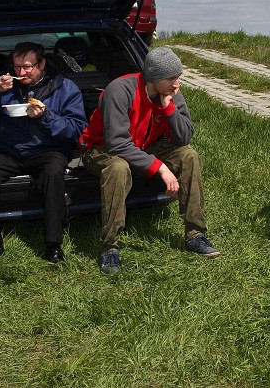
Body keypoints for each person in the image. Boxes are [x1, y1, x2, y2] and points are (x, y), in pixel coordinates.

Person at [81, 47, 219, 274]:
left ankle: (195, 235)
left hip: (145, 145)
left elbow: (183, 137)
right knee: (118, 167)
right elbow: (117, 143)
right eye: (171, 78)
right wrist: (160, 168)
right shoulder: (120, 89)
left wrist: (168, 108)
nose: (177, 84)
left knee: (189, 155)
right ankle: (110, 248)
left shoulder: (171, 93)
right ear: (154, 77)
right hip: (101, 148)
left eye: (178, 77)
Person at [0, 42, 86, 272]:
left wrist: (46, 116)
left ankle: (53, 244)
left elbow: (77, 130)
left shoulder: (64, 87)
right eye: (17, 66)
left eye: (27, 67)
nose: (21, 73)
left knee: (53, 174)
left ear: (42, 64)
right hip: (9, 149)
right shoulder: (4, 85)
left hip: (48, 149)